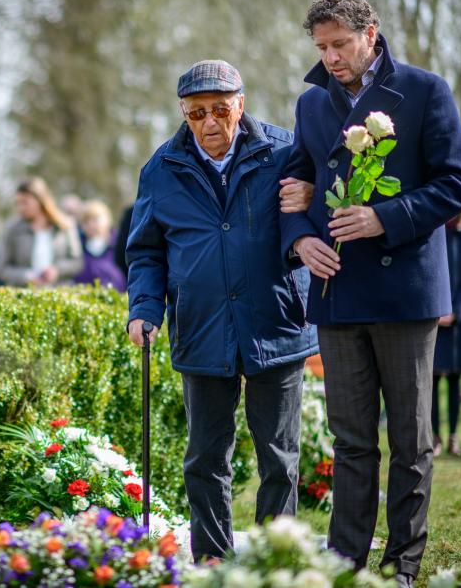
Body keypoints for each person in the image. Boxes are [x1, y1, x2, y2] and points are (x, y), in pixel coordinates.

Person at [279, 0, 461, 587]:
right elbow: (295, 183)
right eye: (321, 48)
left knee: (410, 441)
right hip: (337, 292)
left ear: (371, 34)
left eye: (339, 45)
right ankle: (345, 563)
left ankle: (402, 567)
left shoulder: (426, 90)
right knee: (351, 439)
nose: (330, 58)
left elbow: (454, 182)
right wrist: (299, 242)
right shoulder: (312, 103)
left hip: (405, 289)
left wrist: (387, 218)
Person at [126, 60, 317, 563]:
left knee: (279, 456)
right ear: (184, 115)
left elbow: (314, 215)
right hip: (202, 325)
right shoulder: (161, 169)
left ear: (241, 105)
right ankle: (212, 561)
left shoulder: (284, 151)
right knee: (206, 458)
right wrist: (143, 309)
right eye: (196, 114)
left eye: (220, 110)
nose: (210, 123)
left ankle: (276, 560)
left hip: (275, 322)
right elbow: (146, 251)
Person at [0, 178, 83, 287]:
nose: (20, 207)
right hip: (24, 295)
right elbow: (2, 269)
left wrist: (57, 270)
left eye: (25, 202)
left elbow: (77, 262)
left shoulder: (65, 226)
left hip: (60, 294)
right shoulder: (13, 230)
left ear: (40, 200)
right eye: (17, 203)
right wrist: (26, 276)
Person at [432, 212, 461, 457]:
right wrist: (437, 309)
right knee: (430, 383)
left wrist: (457, 311)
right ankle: (435, 437)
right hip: (434, 320)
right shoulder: (437, 233)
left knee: (454, 381)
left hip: (458, 324)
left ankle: (453, 437)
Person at [73, 200, 126, 291]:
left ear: (107, 220)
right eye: (86, 222)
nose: (91, 225)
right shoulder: (77, 247)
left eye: (95, 220)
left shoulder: (120, 244)